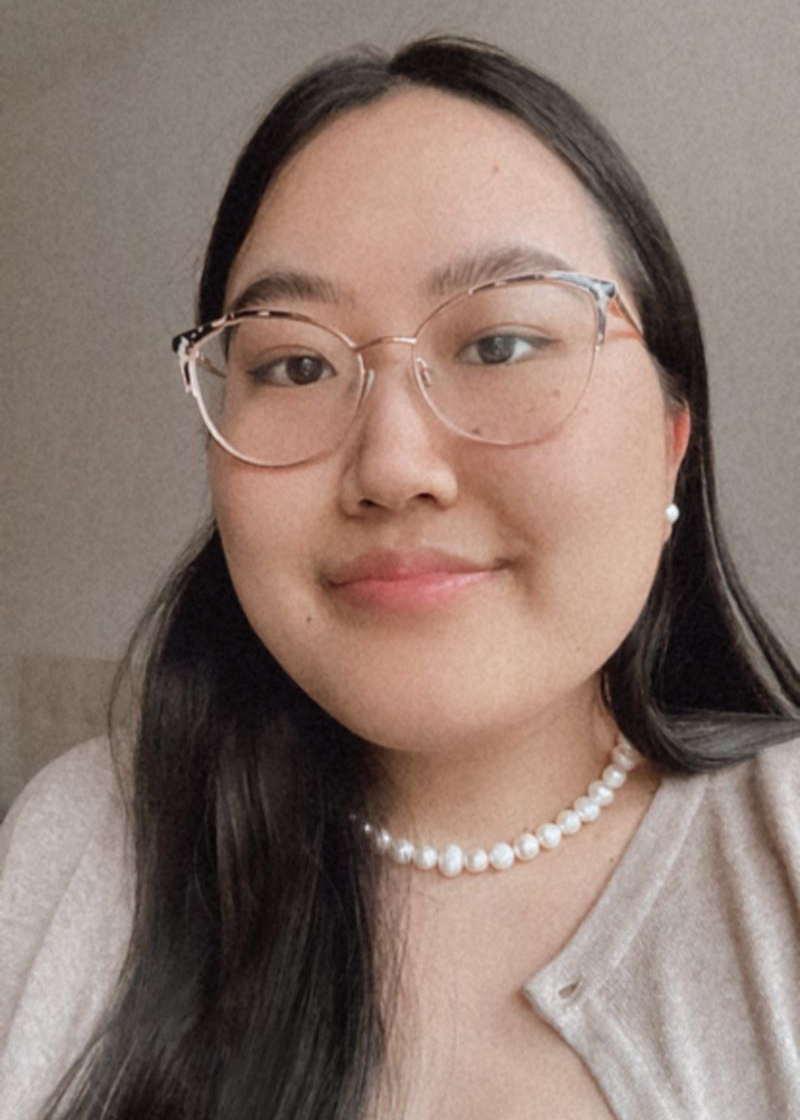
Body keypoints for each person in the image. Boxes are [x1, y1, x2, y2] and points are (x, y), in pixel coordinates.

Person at [1, 35, 798, 1120]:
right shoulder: (80, 848)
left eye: (501, 344)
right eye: (294, 364)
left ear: (671, 441)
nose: (390, 466)